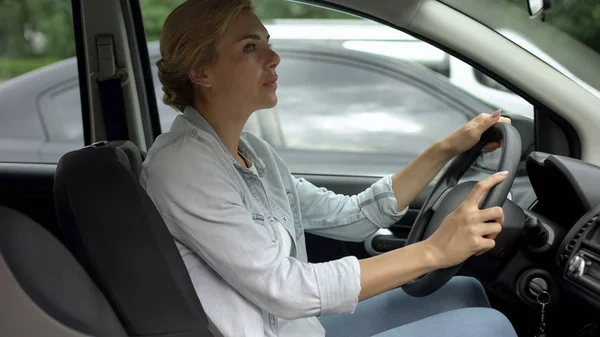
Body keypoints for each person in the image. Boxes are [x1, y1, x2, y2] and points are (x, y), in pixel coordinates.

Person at [140, 1, 518, 336]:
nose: (273, 58)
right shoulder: (183, 165)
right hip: (270, 326)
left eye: (266, 42)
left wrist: (448, 148)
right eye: (250, 47)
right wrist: (434, 251)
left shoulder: (252, 151)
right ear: (201, 72)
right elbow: (285, 289)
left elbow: (350, 216)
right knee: (491, 326)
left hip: (292, 326)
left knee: (463, 291)